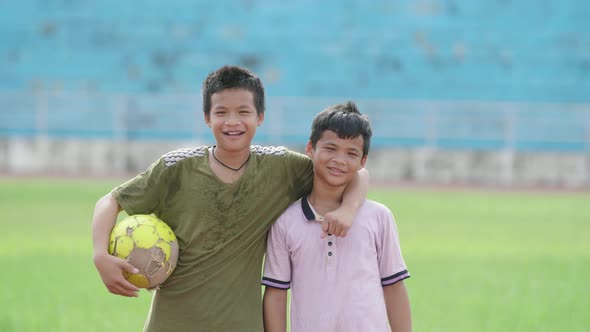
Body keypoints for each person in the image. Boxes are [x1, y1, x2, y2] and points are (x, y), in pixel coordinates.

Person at [91, 65, 369, 332]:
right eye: (221, 112)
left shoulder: (282, 168)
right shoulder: (174, 168)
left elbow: (354, 172)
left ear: (260, 116)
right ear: (206, 117)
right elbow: (110, 201)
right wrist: (100, 255)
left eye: (243, 112)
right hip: (171, 323)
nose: (232, 121)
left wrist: (349, 209)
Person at [262, 101, 412, 332]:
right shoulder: (285, 222)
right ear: (310, 148)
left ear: (363, 161)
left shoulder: (379, 217)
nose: (339, 160)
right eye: (330, 149)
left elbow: (393, 287)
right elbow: (276, 293)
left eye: (351, 153)